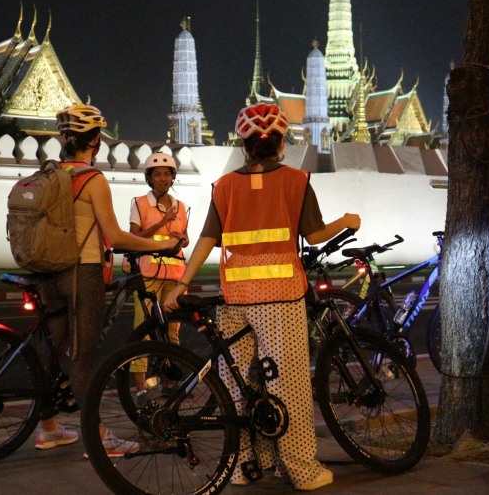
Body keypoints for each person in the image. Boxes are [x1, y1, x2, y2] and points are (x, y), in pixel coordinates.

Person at [163, 103, 360, 491]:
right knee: (287, 385)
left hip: (234, 297)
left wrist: (182, 283)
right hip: (280, 297)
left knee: (239, 386)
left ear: (244, 144)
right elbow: (316, 235)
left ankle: (244, 466)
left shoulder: (225, 186)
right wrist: (347, 221)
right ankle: (301, 469)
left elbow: (207, 238)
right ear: (281, 142)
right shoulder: (296, 181)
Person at [35, 104, 181, 457]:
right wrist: (161, 244)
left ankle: (48, 427)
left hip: (47, 272)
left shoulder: (48, 174)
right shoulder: (91, 179)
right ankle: (97, 436)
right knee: (83, 358)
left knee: (53, 352)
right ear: (97, 141)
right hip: (81, 273)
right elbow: (115, 237)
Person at [124, 152, 189, 396]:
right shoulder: (140, 203)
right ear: (149, 178)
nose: (162, 179)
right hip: (149, 273)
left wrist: (182, 239)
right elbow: (134, 237)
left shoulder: (180, 206)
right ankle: (140, 385)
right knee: (144, 329)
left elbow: (183, 239)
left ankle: (170, 381)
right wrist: (162, 223)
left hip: (174, 274)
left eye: (167, 174)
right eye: (157, 174)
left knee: (172, 330)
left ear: (173, 177)